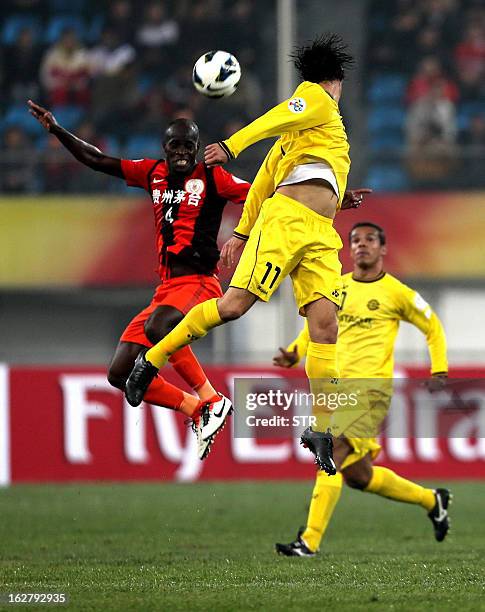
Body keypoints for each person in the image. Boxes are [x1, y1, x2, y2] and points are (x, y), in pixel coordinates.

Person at [125, 33, 369, 471]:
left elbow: (262, 181)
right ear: (338, 79)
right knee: (234, 306)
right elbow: (276, 117)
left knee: (326, 326)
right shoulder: (315, 98)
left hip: (320, 231)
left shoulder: (306, 137)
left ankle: (321, 428)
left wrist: (335, 197)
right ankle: (152, 359)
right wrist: (233, 147)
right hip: (288, 222)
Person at [27, 99, 250, 460]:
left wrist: (328, 201)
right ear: (165, 148)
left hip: (198, 281)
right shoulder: (152, 173)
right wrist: (56, 130)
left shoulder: (213, 177)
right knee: (120, 372)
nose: (180, 152)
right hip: (166, 289)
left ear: (196, 149)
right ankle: (196, 409)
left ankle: (211, 398)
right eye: (174, 145)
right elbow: (97, 160)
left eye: (187, 146)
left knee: (161, 328)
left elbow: (264, 194)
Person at [274, 222, 451, 557]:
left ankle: (309, 540)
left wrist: (439, 368)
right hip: (337, 390)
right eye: (355, 240)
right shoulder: (337, 287)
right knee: (358, 476)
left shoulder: (396, 293)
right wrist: (296, 351)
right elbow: (318, 326)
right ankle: (432, 500)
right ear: (349, 248)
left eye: (370, 240)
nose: (362, 246)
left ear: (383, 249)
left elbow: (433, 326)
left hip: (371, 391)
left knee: (332, 448)